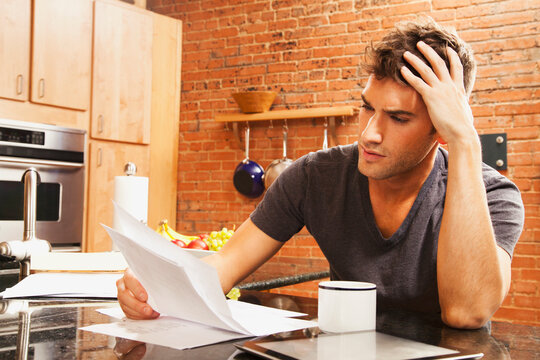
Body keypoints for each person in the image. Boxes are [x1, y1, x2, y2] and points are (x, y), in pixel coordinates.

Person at [116, 17, 524, 329]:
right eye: (368, 107)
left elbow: (467, 312)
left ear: (441, 129)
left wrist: (468, 142)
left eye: (398, 118)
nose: (370, 134)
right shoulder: (314, 176)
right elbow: (224, 266)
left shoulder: (494, 196)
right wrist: (156, 284)